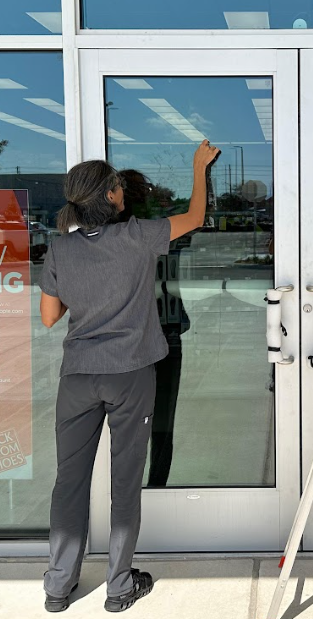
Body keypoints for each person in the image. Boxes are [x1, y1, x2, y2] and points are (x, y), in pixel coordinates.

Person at [39, 141, 220, 614]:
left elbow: (48, 318)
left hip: (78, 377)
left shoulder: (60, 250)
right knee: (124, 482)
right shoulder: (139, 236)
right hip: (130, 375)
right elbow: (196, 216)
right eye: (119, 184)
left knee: (69, 482)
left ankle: (59, 586)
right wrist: (199, 167)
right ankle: (118, 586)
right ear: (115, 196)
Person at [117, 169, 187, 487]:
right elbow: (197, 218)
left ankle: (135, 494)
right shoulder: (157, 232)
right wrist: (202, 170)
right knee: (160, 425)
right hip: (160, 332)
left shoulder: (108, 237)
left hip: (132, 336)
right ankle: (154, 489)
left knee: (132, 424)